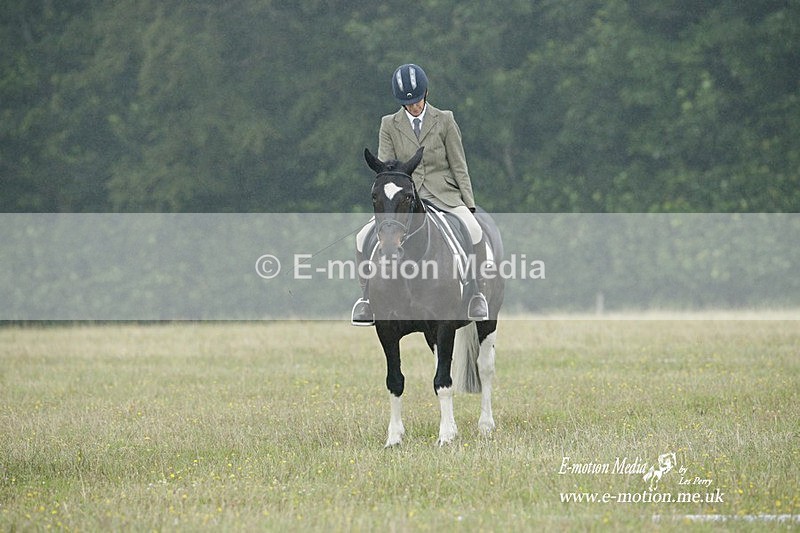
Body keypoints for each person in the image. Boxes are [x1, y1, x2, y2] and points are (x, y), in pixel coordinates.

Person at [352, 63, 489, 325]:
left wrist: (468, 204)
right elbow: (386, 169)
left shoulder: (445, 119)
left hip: (443, 193)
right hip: (404, 200)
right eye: (408, 103)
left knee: (474, 230)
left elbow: (458, 165)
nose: (414, 106)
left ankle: (477, 294)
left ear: (425, 93)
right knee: (361, 238)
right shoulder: (389, 124)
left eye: (417, 101)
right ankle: (366, 300)